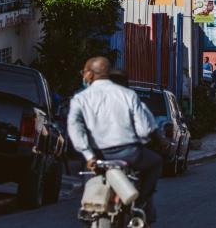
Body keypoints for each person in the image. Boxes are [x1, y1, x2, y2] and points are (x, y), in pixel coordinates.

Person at [68, 57, 164, 222]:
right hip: (129, 154)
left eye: (84, 72)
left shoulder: (81, 98)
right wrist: (143, 140)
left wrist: (88, 154)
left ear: (90, 74)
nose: (84, 76)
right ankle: (140, 203)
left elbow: (75, 128)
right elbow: (143, 129)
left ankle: (88, 209)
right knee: (156, 162)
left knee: (89, 176)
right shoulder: (128, 95)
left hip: (97, 156)